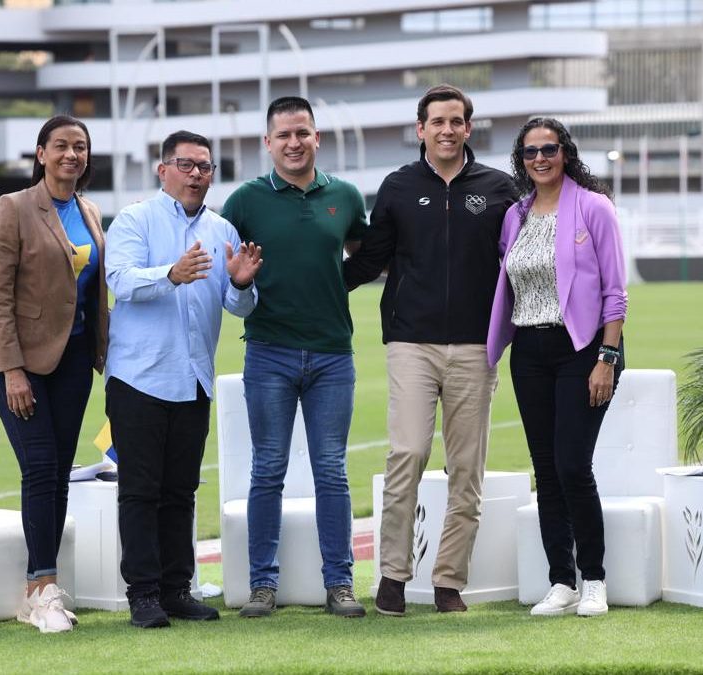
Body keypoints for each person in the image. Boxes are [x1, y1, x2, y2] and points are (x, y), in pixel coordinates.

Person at [344, 84, 516, 615]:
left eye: (456, 121)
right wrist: (313, 288)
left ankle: (448, 582)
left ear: (468, 128)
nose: (446, 129)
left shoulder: (499, 189)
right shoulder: (397, 186)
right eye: (436, 121)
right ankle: (393, 575)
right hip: (411, 343)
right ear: (421, 129)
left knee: (467, 468)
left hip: (474, 348)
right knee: (409, 454)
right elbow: (371, 258)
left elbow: (522, 259)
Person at [105, 130, 262, 629]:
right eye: (187, 165)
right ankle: (143, 594)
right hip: (139, 378)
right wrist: (169, 274)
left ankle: (176, 588)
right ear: (163, 170)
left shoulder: (222, 230)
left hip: (195, 379)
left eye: (206, 167)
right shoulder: (135, 219)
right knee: (139, 490)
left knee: (181, 491)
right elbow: (120, 282)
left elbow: (239, 306)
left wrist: (241, 282)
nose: (197, 175)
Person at [221, 96, 368, 619]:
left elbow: (360, 255)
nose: (293, 142)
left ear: (316, 137)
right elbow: (229, 276)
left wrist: (334, 285)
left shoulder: (345, 196)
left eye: (302, 132)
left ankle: (341, 584)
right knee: (268, 470)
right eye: (283, 135)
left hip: (332, 355)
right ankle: (263, 585)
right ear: (268, 142)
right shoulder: (243, 202)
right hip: (269, 353)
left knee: (332, 470)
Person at [487, 117, 626, 618]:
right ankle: (560, 581)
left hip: (584, 350)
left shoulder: (593, 207)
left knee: (572, 465)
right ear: (521, 160)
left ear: (565, 152)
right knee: (546, 471)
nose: (540, 158)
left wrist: (606, 360)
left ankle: (594, 579)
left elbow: (616, 293)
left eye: (549, 149)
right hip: (530, 351)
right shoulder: (516, 215)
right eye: (530, 152)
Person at [0, 115, 108, 633]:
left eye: (80, 147)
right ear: (40, 154)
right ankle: (41, 588)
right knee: (41, 467)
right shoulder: (13, 208)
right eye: (61, 146)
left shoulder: (91, 211)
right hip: (16, 362)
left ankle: (41, 588)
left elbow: (92, 293)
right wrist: (11, 370)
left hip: (72, 361)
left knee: (59, 473)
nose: (71, 155)